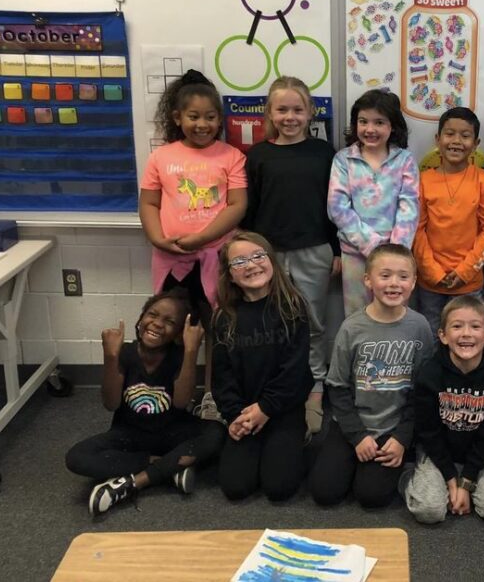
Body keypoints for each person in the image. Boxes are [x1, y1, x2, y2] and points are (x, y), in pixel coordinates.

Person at [139, 70, 247, 420]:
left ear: (219, 119)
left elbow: (237, 205)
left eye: (210, 117)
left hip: (215, 257)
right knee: (170, 326)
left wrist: (202, 238)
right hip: (171, 260)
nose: (202, 124)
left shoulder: (231, 156)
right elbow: (149, 203)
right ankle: (165, 391)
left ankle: (213, 395)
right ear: (177, 118)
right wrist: (158, 238)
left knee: (217, 328)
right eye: (194, 116)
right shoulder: (161, 158)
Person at [65, 288, 224, 516]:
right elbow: (110, 403)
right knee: (76, 457)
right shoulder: (126, 353)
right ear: (140, 320)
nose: (157, 323)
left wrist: (192, 350)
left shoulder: (179, 355)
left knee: (217, 433)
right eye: (152, 314)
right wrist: (110, 356)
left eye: (170, 321)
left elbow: (181, 402)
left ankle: (136, 481)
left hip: (172, 433)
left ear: (178, 334)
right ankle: (167, 468)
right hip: (130, 435)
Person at [242, 76, 340, 435]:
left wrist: (337, 250)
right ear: (269, 113)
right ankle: (274, 389)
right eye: (281, 109)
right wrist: (249, 249)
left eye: (297, 109)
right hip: (267, 253)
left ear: (310, 112)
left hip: (315, 250)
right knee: (270, 321)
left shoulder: (324, 153)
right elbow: (251, 208)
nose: (290, 117)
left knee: (312, 322)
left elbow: (334, 207)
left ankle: (314, 388)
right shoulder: (258, 156)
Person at [309, 243, 435, 508]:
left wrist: (402, 438)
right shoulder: (352, 328)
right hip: (352, 423)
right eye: (385, 275)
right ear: (368, 280)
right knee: (325, 493)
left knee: (372, 497)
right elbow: (337, 387)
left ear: (413, 282)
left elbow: (423, 391)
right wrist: (358, 436)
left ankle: (405, 462)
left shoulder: (420, 327)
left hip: (393, 428)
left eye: (403, 276)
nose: (394, 283)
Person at [211, 231, 313, 501]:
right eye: (239, 262)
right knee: (235, 487)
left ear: (271, 261)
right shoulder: (224, 317)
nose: (251, 265)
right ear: (229, 275)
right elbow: (222, 376)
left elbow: (295, 372)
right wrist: (234, 415)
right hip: (244, 412)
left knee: (279, 488)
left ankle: (297, 438)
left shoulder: (293, 307)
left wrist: (266, 408)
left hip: (283, 409)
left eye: (258, 256)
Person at [403, 296, 484, 523]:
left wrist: (466, 481)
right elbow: (428, 432)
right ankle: (410, 476)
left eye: (475, 326)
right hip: (437, 452)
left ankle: (475, 484)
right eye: (457, 326)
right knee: (429, 511)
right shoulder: (430, 373)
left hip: (481, 454)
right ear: (443, 336)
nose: (466, 333)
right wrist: (450, 477)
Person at [328, 90, 419, 317]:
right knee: (358, 315)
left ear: (392, 126)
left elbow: (409, 208)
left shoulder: (405, 160)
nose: (370, 129)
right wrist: (374, 247)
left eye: (379, 122)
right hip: (355, 255)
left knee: (394, 312)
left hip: (396, 255)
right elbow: (337, 208)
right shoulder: (343, 159)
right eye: (363, 121)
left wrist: (394, 252)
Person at [412, 107, 484, 333]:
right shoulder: (423, 180)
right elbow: (416, 229)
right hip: (430, 281)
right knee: (431, 335)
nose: (456, 141)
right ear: (438, 139)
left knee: (466, 335)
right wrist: (432, 271)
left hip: (469, 282)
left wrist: (465, 271)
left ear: (476, 143)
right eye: (449, 134)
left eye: (465, 135)